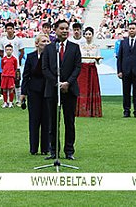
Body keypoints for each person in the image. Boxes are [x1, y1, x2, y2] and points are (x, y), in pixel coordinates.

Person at [43, 19, 82, 160]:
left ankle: (69, 151)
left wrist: (68, 83)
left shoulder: (74, 47)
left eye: (67, 28)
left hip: (70, 90)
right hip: (53, 90)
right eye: (62, 28)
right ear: (56, 30)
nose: (65, 31)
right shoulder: (49, 48)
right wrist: (58, 83)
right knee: (53, 122)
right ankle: (54, 150)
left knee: (69, 122)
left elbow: (78, 67)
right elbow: (45, 68)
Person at [21, 34, 52, 155]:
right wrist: (23, 93)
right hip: (33, 92)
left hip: (48, 91)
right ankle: (33, 148)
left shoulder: (52, 57)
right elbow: (25, 76)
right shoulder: (30, 57)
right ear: (37, 43)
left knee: (46, 120)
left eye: (48, 41)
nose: (46, 43)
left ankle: (46, 148)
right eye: (43, 41)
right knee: (34, 121)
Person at [116, 22, 136, 118]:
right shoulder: (123, 42)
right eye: (130, 28)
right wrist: (119, 71)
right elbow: (119, 57)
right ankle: (126, 110)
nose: (131, 30)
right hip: (125, 71)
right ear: (127, 30)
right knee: (126, 92)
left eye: (133, 28)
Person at [77, 26, 103, 117]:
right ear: (84, 35)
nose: (88, 36)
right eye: (86, 34)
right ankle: (81, 110)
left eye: (89, 34)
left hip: (91, 69)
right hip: (83, 69)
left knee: (92, 87)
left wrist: (98, 59)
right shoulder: (80, 46)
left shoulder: (96, 46)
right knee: (82, 88)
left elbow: (99, 60)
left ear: (92, 35)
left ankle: (92, 110)